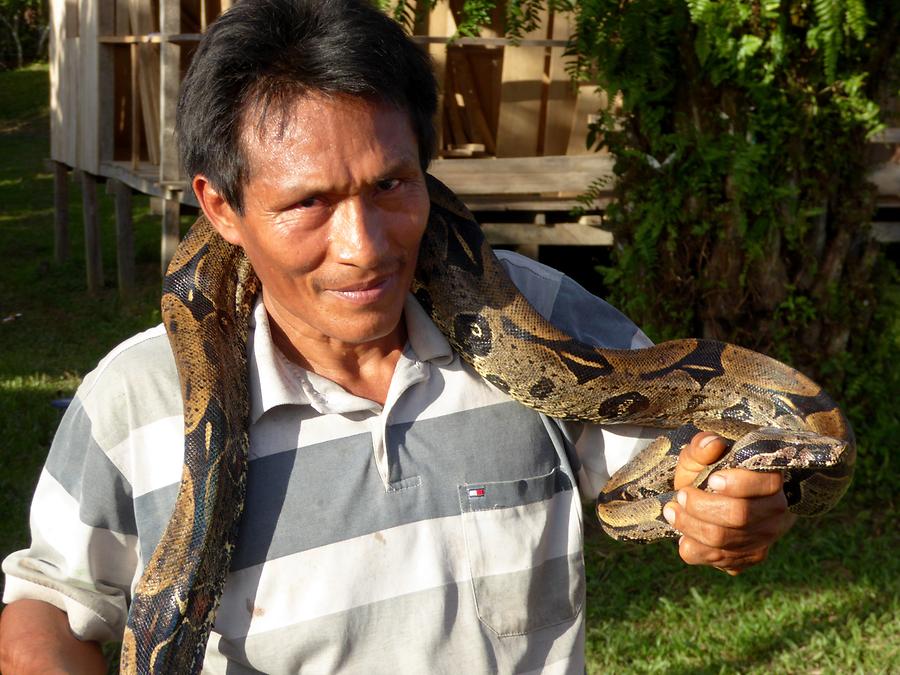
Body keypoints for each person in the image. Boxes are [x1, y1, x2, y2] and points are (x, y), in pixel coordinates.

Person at [0, 1, 795, 672]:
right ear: (219, 208)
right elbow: (52, 600)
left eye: (392, 184)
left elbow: (683, 484)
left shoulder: (545, 312)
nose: (366, 245)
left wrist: (732, 513)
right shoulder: (136, 398)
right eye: (309, 203)